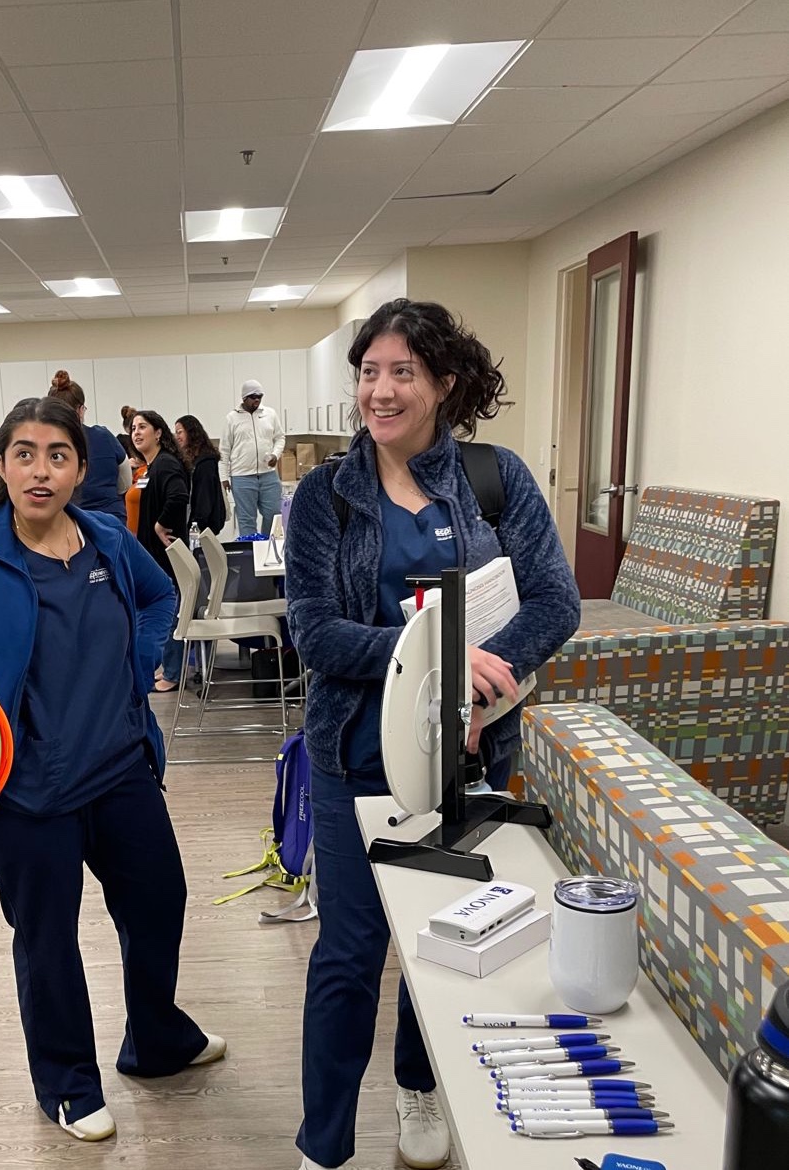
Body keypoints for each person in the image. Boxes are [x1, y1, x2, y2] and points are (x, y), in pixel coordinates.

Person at [0, 397, 225, 1142]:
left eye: (57, 455)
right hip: (20, 789)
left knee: (160, 901)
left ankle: (156, 1039)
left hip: (119, 765)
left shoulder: (103, 536)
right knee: (48, 936)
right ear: (0, 465)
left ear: (81, 469)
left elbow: (159, 595)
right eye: (23, 453)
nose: (40, 470)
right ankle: (65, 1083)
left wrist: (139, 660)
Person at [284, 299, 580, 1170]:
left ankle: (419, 1087)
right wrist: (439, 657)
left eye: (401, 371)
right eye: (368, 372)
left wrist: (481, 671)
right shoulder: (324, 498)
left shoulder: (496, 478)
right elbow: (315, 633)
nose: (379, 390)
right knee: (348, 956)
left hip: (473, 755)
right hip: (356, 759)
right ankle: (324, 1144)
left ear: (444, 384)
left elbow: (555, 603)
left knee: (443, 940)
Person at [129, 409, 190, 693]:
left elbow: (178, 495)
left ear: (158, 433)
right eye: (133, 428)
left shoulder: (165, 464)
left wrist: (159, 524)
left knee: (170, 612)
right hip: (150, 553)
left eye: (143, 427)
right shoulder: (150, 467)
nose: (137, 432)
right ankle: (169, 668)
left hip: (164, 553)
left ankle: (174, 672)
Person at [48, 375, 129, 523]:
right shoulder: (104, 436)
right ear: (80, 409)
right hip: (111, 519)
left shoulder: (47, 444)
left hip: (70, 522)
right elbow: (125, 481)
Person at [220, 379, 285, 536]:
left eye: (260, 396)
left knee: (274, 515)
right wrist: (224, 477)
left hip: (268, 475)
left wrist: (276, 455)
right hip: (241, 477)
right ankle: (251, 555)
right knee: (247, 520)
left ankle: (270, 551)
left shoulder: (270, 414)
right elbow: (224, 450)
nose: (257, 399)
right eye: (253, 396)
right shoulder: (232, 418)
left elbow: (280, 438)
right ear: (244, 398)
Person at [175, 414, 225, 535]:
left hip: (201, 524)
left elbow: (204, 496)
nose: (177, 437)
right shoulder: (192, 460)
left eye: (179, 432)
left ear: (191, 432)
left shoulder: (205, 463)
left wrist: (196, 523)